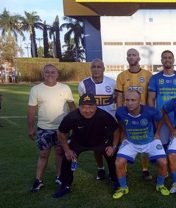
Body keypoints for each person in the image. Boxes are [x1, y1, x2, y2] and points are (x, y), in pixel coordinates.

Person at [52, 94, 119, 198]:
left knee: (112, 155)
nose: (87, 110)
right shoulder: (72, 116)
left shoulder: (103, 115)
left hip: (101, 141)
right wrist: (67, 150)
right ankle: (65, 186)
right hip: (78, 142)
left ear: (96, 107)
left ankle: (116, 181)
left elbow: (116, 129)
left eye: (91, 107)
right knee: (67, 157)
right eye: (84, 107)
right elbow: (61, 133)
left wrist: (113, 146)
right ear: (79, 107)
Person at [112, 90, 170, 199]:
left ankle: (160, 185)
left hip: (150, 141)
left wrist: (157, 133)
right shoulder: (120, 112)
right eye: (127, 100)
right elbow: (120, 122)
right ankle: (123, 187)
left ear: (140, 101)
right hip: (131, 142)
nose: (129, 103)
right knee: (118, 162)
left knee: (163, 162)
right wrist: (124, 133)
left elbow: (161, 118)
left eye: (133, 100)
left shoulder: (150, 111)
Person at [27, 64, 76, 192]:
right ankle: (38, 180)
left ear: (57, 74)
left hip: (62, 129)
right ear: (43, 74)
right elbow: (31, 109)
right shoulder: (36, 89)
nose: (50, 74)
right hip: (44, 128)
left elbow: (72, 106)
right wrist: (31, 127)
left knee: (60, 152)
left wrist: (75, 124)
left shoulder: (65, 88)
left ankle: (59, 176)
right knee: (43, 154)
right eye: (47, 72)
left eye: (53, 72)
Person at [148, 50, 176, 177]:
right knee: (163, 144)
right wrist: (153, 115)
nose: (167, 60)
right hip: (162, 118)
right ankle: (166, 168)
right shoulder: (155, 78)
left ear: (173, 60)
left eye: (169, 58)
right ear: (161, 60)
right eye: (164, 58)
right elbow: (151, 99)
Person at [116, 48, 153, 181]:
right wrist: (120, 113)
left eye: (134, 55)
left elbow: (151, 95)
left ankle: (145, 169)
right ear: (127, 58)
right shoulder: (121, 76)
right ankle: (124, 170)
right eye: (129, 55)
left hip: (143, 115)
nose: (131, 57)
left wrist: (150, 112)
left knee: (145, 138)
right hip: (127, 115)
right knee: (125, 140)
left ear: (138, 58)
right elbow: (119, 96)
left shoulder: (148, 75)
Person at [78, 58, 116, 180]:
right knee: (97, 148)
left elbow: (117, 99)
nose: (96, 69)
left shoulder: (112, 83)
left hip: (110, 121)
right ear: (90, 69)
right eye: (93, 67)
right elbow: (84, 104)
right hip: (93, 122)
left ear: (104, 69)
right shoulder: (83, 84)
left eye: (99, 67)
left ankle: (113, 170)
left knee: (111, 147)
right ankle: (100, 169)